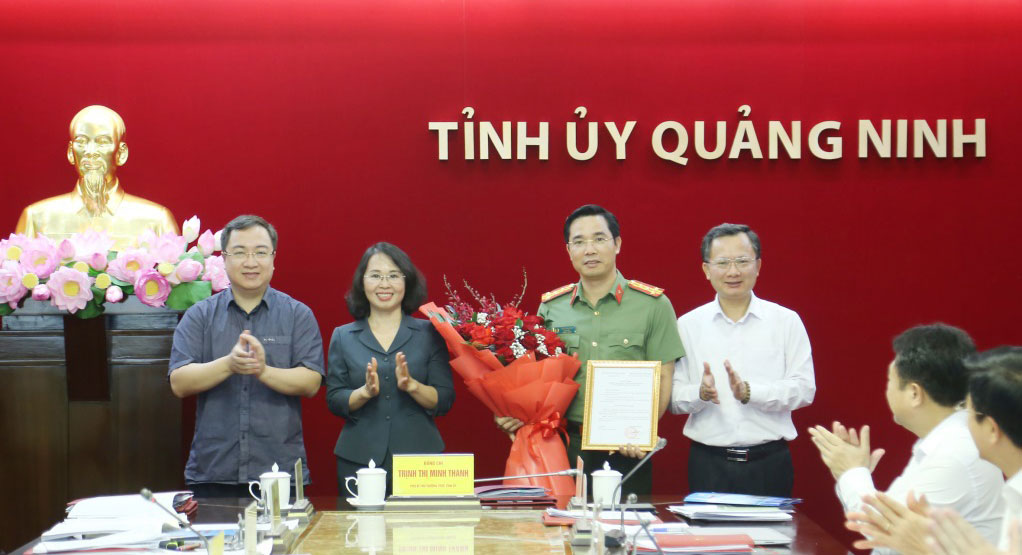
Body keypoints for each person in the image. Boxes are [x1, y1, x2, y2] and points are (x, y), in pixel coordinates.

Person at [498, 204, 685, 495]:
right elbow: (536, 376)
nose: (590, 250)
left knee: (625, 523)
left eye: (599, 239)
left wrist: (640, 431)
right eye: (579, 241)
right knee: (561, 522)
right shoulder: (552, 308)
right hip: (563, 445)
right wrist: (512, 411)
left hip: (626, 447)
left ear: (617, 244)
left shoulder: (653, 305)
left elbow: (663, 375)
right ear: (568, 250)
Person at [809, 324, 1004, 553]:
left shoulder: (956, 453)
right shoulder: (946, 441)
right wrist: (850, 471)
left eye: (889, 381)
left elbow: (886, 533)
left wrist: (851, 471)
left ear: (914, 393)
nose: (887, 391)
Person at [168, 215, 324, 497]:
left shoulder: (297, 315)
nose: (250, 262)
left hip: (279, 471)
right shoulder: (199, 315)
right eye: (239, 253)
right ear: (224, 259)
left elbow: (311, 382)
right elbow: (179, 382)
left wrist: (263, 370)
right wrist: (229, 364)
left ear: (273, 258)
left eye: (260, 252)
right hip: (213, 471)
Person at [671, 223, 815, 497]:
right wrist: (700, 394)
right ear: (706, 269)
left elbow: (805, 389)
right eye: (723, 263)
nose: (733, 271)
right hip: (708, 464)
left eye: (742, 261)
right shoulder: (687, 325)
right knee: (709, 529)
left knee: (772, 528)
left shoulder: (786, 321)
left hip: (769, 463)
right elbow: (673, 397)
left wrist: (750, 392)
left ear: (758, 266)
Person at [844, 347, 1022, 555]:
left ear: (992, 429)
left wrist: (929, 549)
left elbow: (880, 529)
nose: (963, 421)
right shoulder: (1015, 491)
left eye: (969, 412)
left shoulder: (955, 453)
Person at [326, 242, 455, 495]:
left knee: (420, 523)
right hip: (358, 458)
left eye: (394, 276)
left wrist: (412, 386)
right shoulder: (342, 336)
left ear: (407, 282)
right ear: (362, 282)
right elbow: (334, 399)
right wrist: (364, 392)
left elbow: (445, 399)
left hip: (420, 459)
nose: (384, 284)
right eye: (375, 276)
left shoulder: (430, 333)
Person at [16, 105, 178, 249]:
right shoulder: (36, 218)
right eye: (81, 142)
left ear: (121, 153)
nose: (91, 151)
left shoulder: (157, 221)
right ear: (71, 152)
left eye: (102, 142)